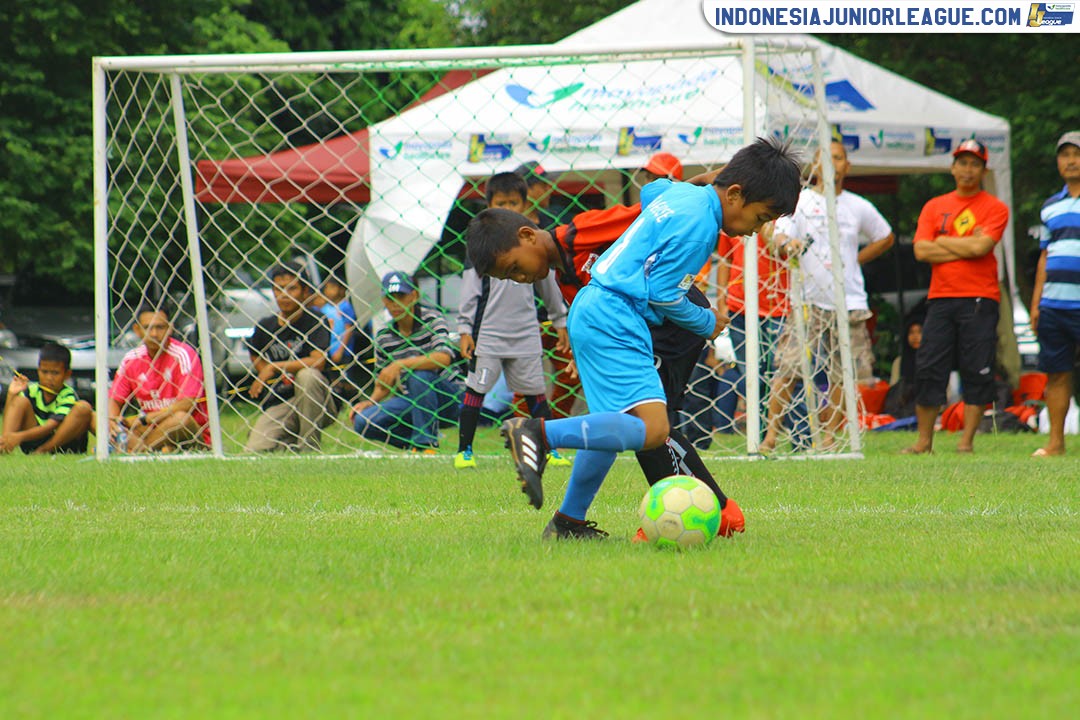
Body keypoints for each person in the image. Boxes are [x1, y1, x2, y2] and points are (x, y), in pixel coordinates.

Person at [468, 136, 801, 540]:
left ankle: (568, 522)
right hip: (616, 314)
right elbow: (664, 293)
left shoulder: (680, 197)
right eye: (761, 217)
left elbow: (652, 191)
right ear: (733, 194)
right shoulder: (700, 227)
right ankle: (538, 433)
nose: (756, 230)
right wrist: (705, 320)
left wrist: (700, 183)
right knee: (653, 430)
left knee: (612, 425)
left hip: (594, 308)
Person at [764, 140, 895, 452]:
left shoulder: (857, 205)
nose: (833, 163)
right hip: (807, 299)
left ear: (847, 166)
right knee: (789, 368)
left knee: (842, 372)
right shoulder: (802, 201)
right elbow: (778, 233)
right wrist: (786, 244)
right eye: (826, 158)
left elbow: (886, 236)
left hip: (848, 300)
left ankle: (828, 438)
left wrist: (855, 260)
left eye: (839, 158)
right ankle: (769, 436)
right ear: (815, 166)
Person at [455, 172, 571, 470]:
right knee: (476, 390)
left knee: (535, 392)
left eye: (513, 203)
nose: (507, 208)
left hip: (525, 332)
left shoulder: (532, 241)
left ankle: (548, 448)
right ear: (489, 204)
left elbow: (547, 283)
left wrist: (560, 319)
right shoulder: (481, 248)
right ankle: (464, 450)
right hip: (489, 335)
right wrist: (465, 329)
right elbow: (470, 291)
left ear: (524, 203)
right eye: (500, 203)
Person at [903, 139, 1010, 455]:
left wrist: (942, 242)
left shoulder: (995, 207)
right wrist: (964, 244)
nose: (967, 169)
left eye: (974, 163)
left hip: (980, 298)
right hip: (940, 298)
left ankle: (966, 442)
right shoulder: (934, 206)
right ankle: (924, 442)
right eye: (962, 162)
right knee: (929, 365)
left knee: (976, 366)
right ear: (952, 167)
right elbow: (921, 250)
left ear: (983, 169)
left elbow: (982, 248)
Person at [351, 271, 461, 453]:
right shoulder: (384, 337)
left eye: (401, 296)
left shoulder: (433, 319)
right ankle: (414, 445)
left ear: (414, 295)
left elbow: (444, 358)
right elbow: (384, 380)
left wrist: (400, 364)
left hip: (448, 397)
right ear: (384, 301)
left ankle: (425, 444)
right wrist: (370, 401)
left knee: (420, 375)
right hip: (413, 400)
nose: (395, 304)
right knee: (364, 421)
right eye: (389, 298)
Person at [245, 260, 335, 453]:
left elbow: (318, 361)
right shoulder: (265, 327)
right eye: (278, 288)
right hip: (282, 401)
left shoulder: (315, 320)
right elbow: (255, 354)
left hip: (318, 399)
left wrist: (274, 367)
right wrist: (266, 371)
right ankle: (285, 441)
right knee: (254, 449)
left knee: (307, 375)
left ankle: (309, 448)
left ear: (305, 292)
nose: (284, 294)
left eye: (292, 288)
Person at [1030, 130, 1080, 458]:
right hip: (1053, 304)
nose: (1071, 160)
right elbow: (1045, 257)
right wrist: (1036, 304)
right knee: (1057, 373)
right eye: (1065, 155)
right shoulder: (1050, 206)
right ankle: (1056, 443)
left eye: (1077, 154)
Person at [109, 303, 210, 453]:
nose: (154, 334)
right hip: (148, 430)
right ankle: (150, 447)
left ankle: (138, 450)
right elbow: (114, 399)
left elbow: (187, 404)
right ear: (137, 330)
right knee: (94, 416)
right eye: (148, 328)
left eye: (160, 327)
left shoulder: (184, 354)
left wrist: (148, 418)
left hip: (187, 432)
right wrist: (112, 421)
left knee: (180, 419)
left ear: (170, 328)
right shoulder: (131, 359)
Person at [1, 343, 92, 454]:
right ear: (38, 370)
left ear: (67, 374)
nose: (49, 378)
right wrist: (11, 395)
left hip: (61, 443)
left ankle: (43, 451)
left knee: (83, 407)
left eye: (55, 373)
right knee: (19, 401)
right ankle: (4, 447)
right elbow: (11, 415)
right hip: (35, 439)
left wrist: (19, 437)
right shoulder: (31, 391)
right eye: (44, 372)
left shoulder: (67, 395)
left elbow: (50, 427)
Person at [312, 274, 362, 399]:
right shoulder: (327, 308)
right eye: (327, 288)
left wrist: (341, 349)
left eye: (332, 287)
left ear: (341, 289)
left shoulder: (345, 306)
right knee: (334, 379)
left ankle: (355, 398)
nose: (328, 291)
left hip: (343, 351)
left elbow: (348, 328)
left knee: (346, 379)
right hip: (330, 350)